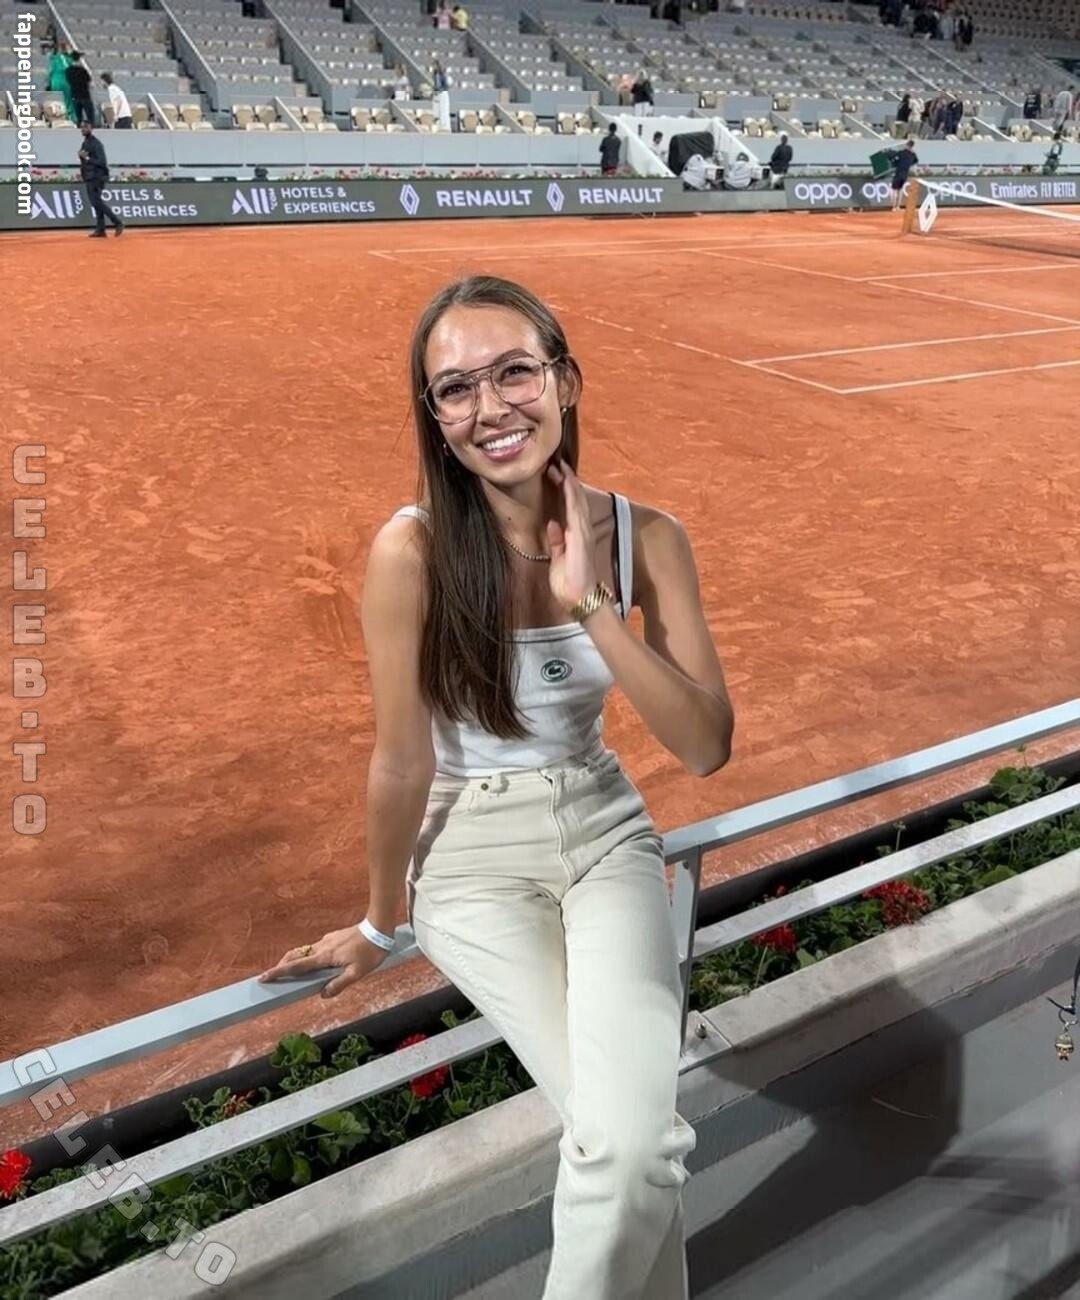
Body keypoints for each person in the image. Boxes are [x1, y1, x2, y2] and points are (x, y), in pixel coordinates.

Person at [259, 273, 733, 1300]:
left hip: (605, 833)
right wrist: (380, 921)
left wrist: (593, 605)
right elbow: (403, 758)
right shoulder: (413, 551)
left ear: (565, 381)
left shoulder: (647, 538)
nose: (491, 407)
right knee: (633, 1147)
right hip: (468, 857)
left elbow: (704, 747)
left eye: (515, 371)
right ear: (434, 416)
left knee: (629, 1148)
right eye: (456, 388)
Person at [77, 122, 123, 238]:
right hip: (89, 176)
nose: (83, 129)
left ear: (91, 128)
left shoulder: (96, 144)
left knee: (97, 202)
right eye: (82, 127)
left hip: (97, 177)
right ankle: (101, 229)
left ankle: (117, 222)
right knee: (96, 203)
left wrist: (86, 158)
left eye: (85, 127)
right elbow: (85, 160)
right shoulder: (85, 143)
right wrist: (82, 158)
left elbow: (101, 162)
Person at [46, 39, 75, 123]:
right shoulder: (69, 59)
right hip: (66, 81)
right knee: (68, 102)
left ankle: (57, 119)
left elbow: (50, 72)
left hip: (55, 81)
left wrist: (49, 83)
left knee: (57, 101)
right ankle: (71, 119)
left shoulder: (54, 59)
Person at [65, 52, 95, 127]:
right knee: (90, 117)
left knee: (78, 118)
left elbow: (68, 81)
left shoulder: (68, 71)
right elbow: (90, 83)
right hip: (85, 95)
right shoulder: (83, 71)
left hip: (74, 95)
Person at [890, 137, 918, 209]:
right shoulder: (913, 155)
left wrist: (895, 163)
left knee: (894, 190)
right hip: (905, 174)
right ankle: (898, 206)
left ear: (907, 145)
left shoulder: (901, 153)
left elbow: (893, 159)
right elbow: (915, 161)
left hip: (898, 173)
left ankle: (893, 207)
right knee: (900, 190)